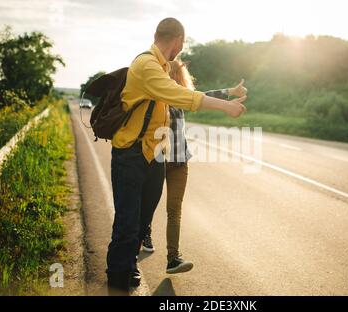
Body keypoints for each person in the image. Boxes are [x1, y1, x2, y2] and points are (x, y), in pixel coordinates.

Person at [106, 17, 247, 294]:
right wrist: (225, 106)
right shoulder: (147, 64)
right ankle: (117, 274)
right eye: (181, 45)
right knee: (128, 219)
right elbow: (177, 94)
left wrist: (227, 94)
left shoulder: (162, 65)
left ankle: (128, 264)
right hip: (131, 154)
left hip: (154, 155)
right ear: (179, 41)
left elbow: (184, 94)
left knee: (143, 217)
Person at [142, 60, 247, 276]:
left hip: (179, 161)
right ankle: (144, 233)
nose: (172, 77)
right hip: (157, 160)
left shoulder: (182, 96)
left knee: (174, 209)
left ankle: (173, 258)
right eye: (167, 73)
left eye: (175, 74)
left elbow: (204, 95)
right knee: (148, 204)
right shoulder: (154, 93)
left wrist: (230, 91)